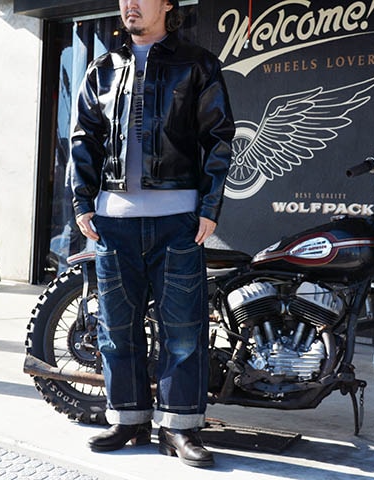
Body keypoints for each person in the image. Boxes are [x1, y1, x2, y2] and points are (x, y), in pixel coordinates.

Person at [70, 0, 234, 468]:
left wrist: (210, 206)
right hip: (113, 221)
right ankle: (128, 418)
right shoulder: (101, 69)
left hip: (177, 220)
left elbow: (219, 137)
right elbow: (84, 139)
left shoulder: (197, 64)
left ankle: (179, 426)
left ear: (167, 5)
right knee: (115, 330)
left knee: (183, 332)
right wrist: (82, 202)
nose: (130, 4)